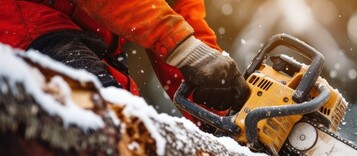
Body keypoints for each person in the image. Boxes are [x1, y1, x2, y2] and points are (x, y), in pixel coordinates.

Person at [0, 0, 250, 112]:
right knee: (115, 132)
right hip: (22, 27)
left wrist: (219, 103)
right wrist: (181, 47)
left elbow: (181, 18)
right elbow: (178, 41)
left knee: (135, 130)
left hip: (84, 32)